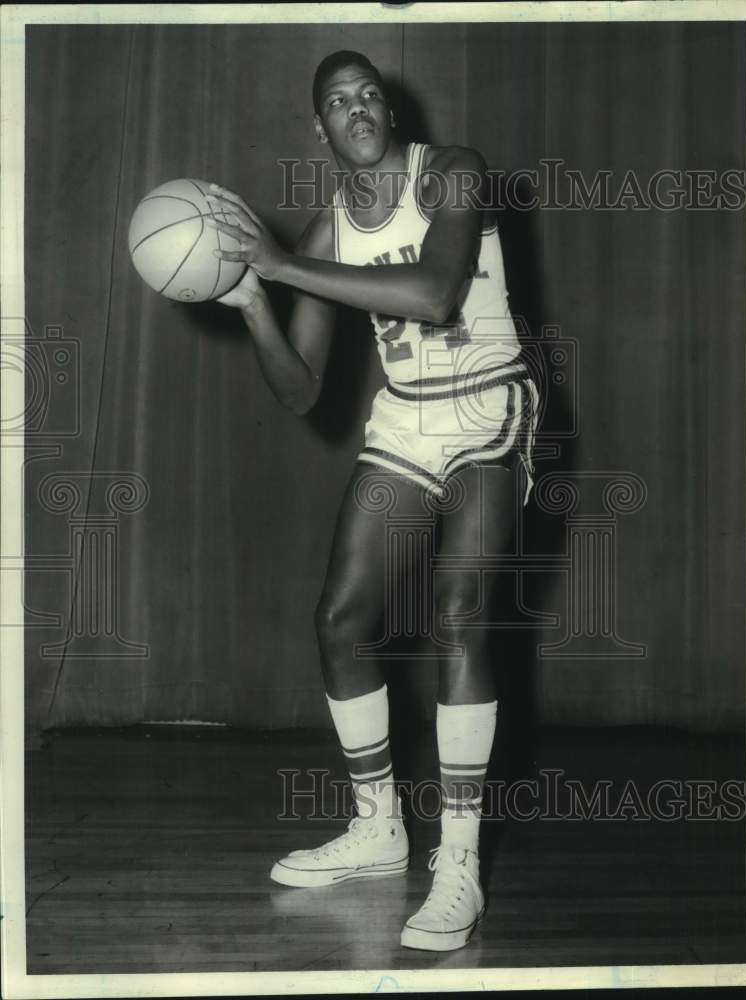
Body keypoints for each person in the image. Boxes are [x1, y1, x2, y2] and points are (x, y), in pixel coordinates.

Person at [205, 50, 539, 953]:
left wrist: (281, 265)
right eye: (336, 103)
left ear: (387, 110)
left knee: (459, 612)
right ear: (320, 129)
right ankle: (379, 827)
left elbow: (434, 294)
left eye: (367, 95)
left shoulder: (455, 170)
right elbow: (304, 390)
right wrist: (253, 302)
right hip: (404, 423)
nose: (356, 108)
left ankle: (458, 862)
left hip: (487, 412)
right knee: (340, 620)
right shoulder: (322, 233)